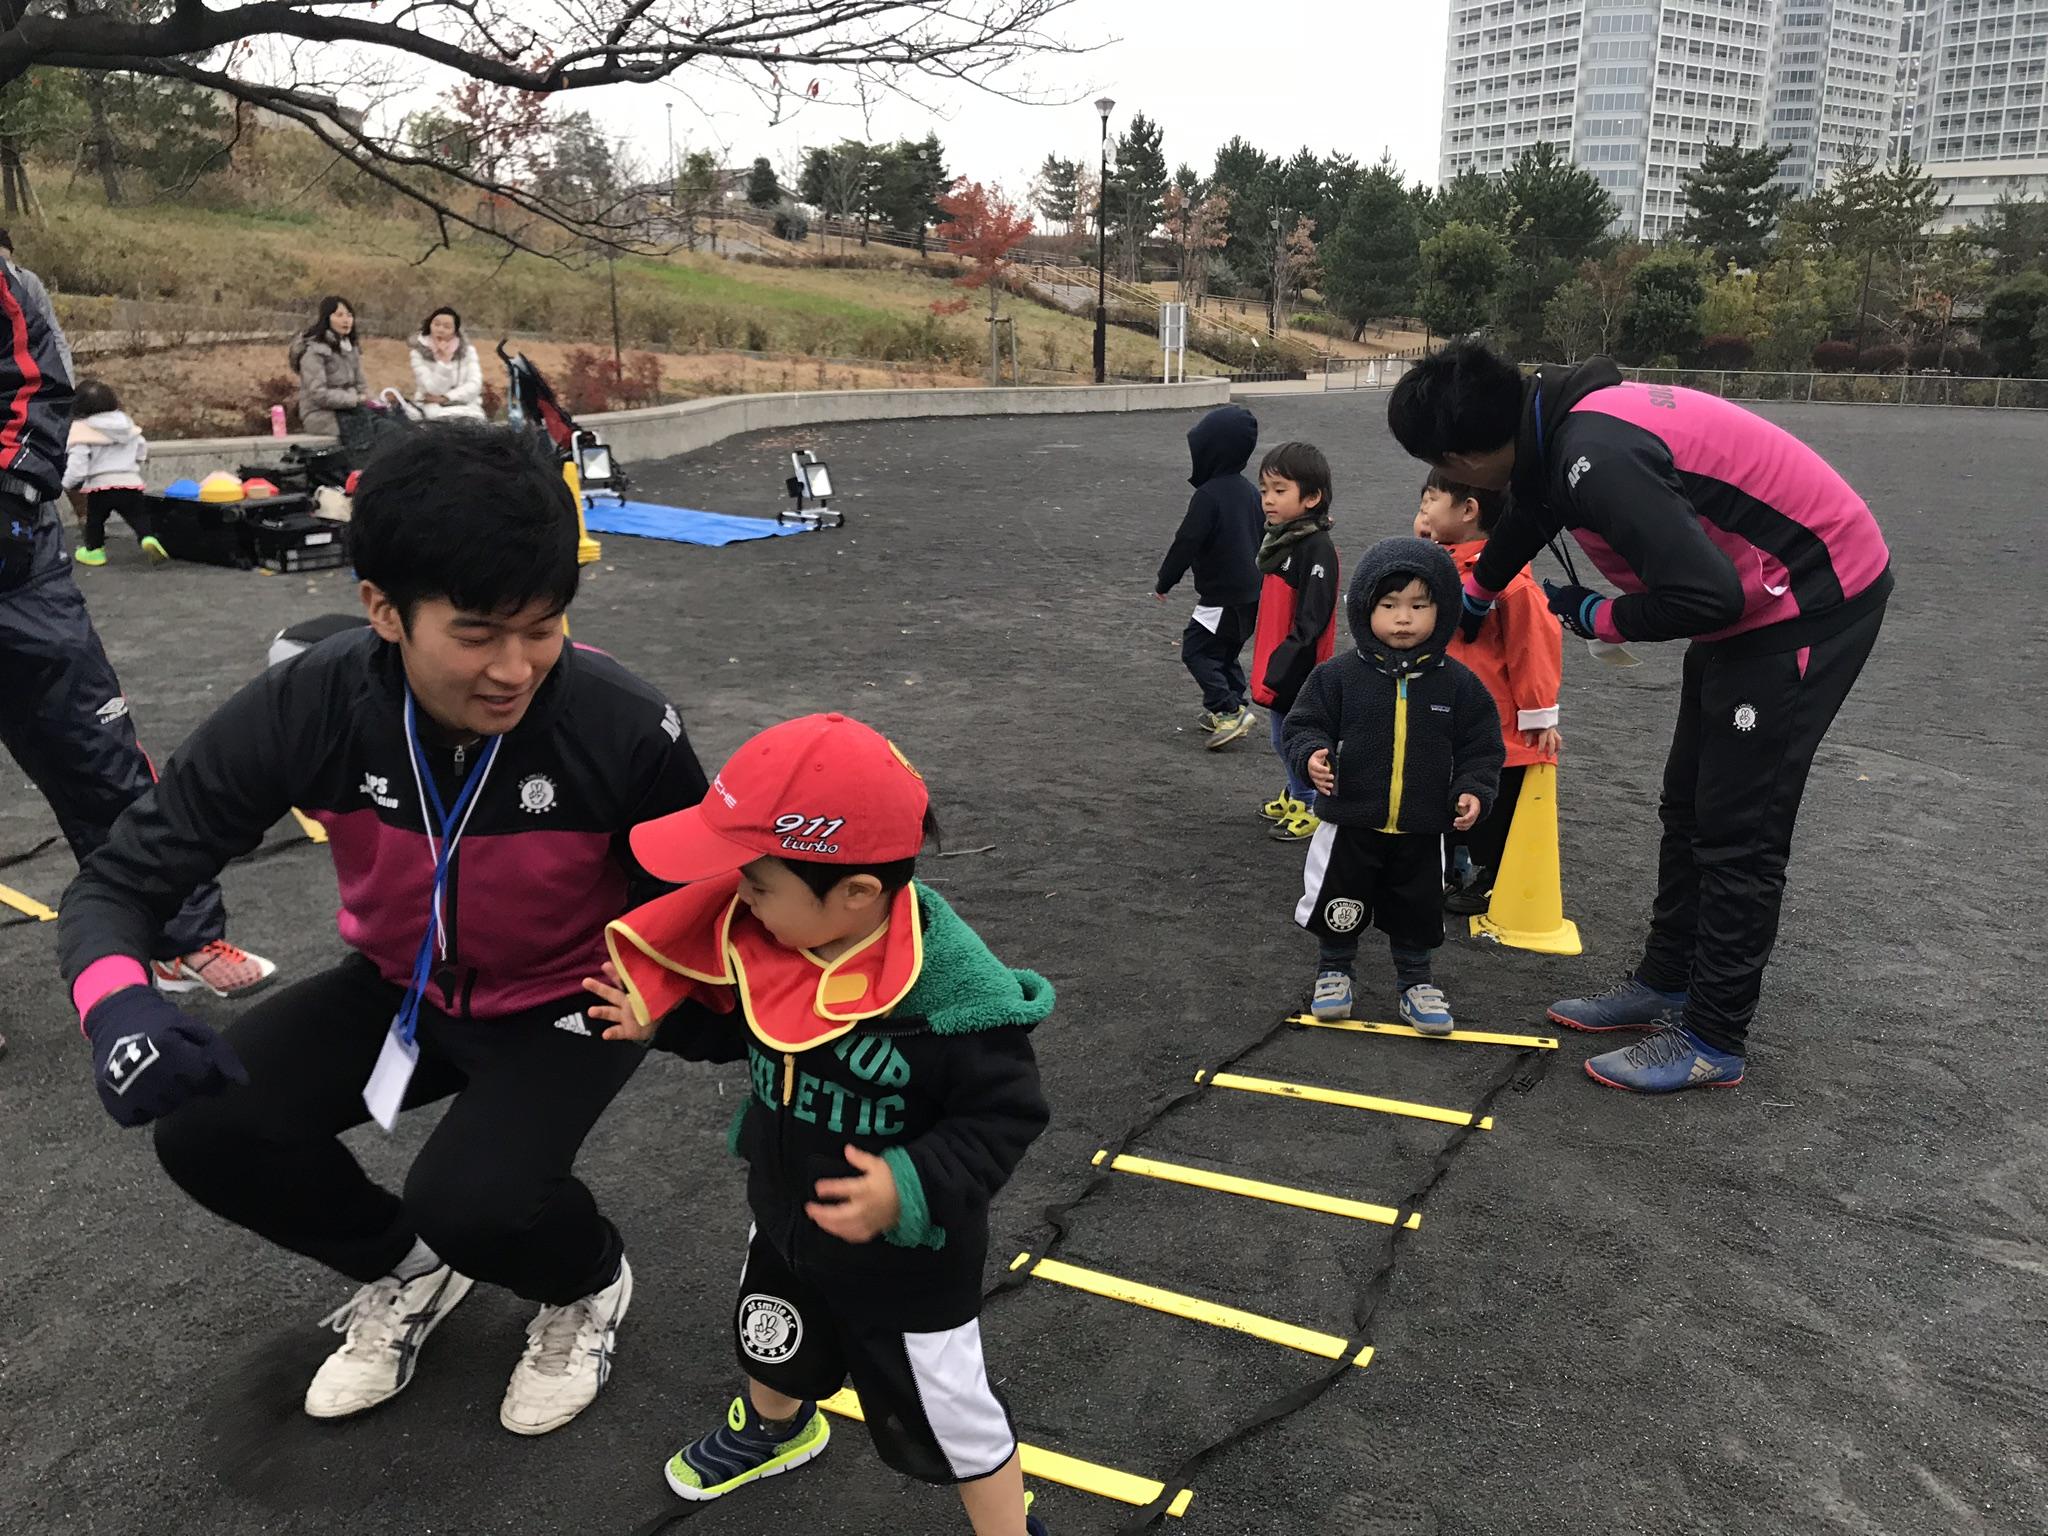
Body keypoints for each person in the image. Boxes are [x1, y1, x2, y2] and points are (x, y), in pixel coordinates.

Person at [56, 422, 709, 1435]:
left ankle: (585, 1282)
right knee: (206, 1129)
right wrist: (115, 1006)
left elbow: (704, 903)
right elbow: (118, 885)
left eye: (544, 626)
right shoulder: (310, 705)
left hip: (568, 998)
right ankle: (408, 1270)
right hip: (403, 987)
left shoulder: (620, 723)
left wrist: (666, 991)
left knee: (479, 1198)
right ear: (383, 611)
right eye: (479, 632)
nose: (517, 666)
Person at [582, 713, 1053, 1536]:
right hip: (786, 1212)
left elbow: (1005, 1116)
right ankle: (776, 1425)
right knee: (771, 1334)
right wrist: (667, 1022)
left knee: (953, 1418)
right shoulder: (785, 937)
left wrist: (908, 1185)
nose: (740, 901)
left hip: (908, 1261)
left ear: (857, 894)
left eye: (757, 886)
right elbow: (751, 1031)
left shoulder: (954, 1004)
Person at [1386, 341, 1891, 1094]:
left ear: (1464, 458)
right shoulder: (1551, 428)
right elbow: (1533, 509)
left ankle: (1712, 1038)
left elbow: (1707, 596)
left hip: (1810, 600)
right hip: (1749, 608)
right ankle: (1667, 981)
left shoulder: (1596, 453)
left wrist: (1599, 614)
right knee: (1686, 802)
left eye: (1446, 469)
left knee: (1738, 828)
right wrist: (1479, 594)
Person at [0, 230, 273, 1065]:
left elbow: (38, 389)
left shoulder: (11, 289)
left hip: (18, 577)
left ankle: (175, 936)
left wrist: (9, 500)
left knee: (103, 759)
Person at [1282, 537, 1504, 1037]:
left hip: (1424, 828)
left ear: (1442, 610)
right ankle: (1334, 971)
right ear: (1365, 608)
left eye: (1419, 606)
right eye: (1389, 605)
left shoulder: (1460, 685)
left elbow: (1482, 747)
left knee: (1417, 912)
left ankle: (1416, 984)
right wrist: (1312, 755)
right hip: (1351, 821)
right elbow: (1303, 724)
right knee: (1340, 903)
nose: (1403, 618)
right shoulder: (1338, 676)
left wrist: (1474, 788)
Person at [1412, 469, 1562, 915]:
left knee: (1494, 809)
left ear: (1468, 510)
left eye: (1429, 502)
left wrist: (1538, 717)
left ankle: (1492, 877)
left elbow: (1533, 649)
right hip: (1445, 714)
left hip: (1496, 724)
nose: (1421, 512)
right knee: (1447, 796)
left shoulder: (1510, 584)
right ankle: (1453, 869)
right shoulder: (1437, 567)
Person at [1154, 403, 1261, 749]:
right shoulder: (1249, 492)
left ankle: (1228, 709)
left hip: (1221, 596)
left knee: (1196, 650)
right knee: (1225, 652)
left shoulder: (1208, 497)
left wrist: (1165, 580)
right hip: (1250, 594)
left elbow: (1186, 541)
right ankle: (1234, 705)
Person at [1249, 441, 1339, 843]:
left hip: (1297, 666)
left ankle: (1308, 802)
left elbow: (1313, 618)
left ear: (1312, 497)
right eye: (1264, 489)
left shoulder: (1315, 547)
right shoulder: (1281, 542)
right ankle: (1294, 790)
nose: (1268, 499)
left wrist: (1286, 661)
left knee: (1290, 736)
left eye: (1279, 490)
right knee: (1280, 733)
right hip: (1278, 657)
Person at [64, 377, 164, 568]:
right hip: (130, 482)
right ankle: (148, 538)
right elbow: (141, 444)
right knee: (138, 515)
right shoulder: (124, 424)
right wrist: (136, 460)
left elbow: (78, 464)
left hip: (100, 485)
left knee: (95, 520)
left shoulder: (82, 430)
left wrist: (67, 483)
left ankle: (95, 551)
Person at [290, 295, 369, 436]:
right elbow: (319, 394)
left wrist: (370, 399)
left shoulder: (350, 348)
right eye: (339, 315)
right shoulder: (314, 351)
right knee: (372, 432)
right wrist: (354, 399)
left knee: (389, 424)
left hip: (349, 410)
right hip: (320, 416)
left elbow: (361, 386)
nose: (346, 320)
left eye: (349, 315)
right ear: (327, 318)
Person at [408, 306, 487, 422]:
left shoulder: (468, 351)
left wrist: (447, 398)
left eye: (447, 327)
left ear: (455, 331)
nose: (440, 330)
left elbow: (475, 384)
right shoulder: (418, 353)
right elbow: (433, 390)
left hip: (466, 406)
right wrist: (444, 361)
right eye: (436, 324)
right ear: (430, 326)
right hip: (430, 407)